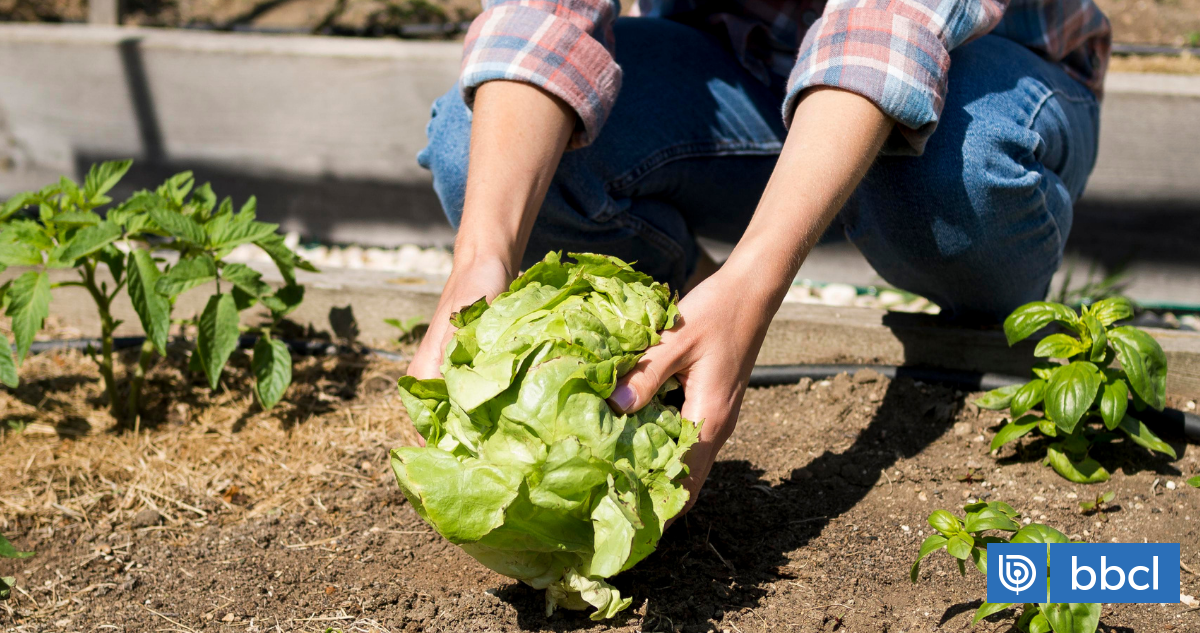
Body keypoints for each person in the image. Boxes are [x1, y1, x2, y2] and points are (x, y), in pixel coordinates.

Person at [409, 0, 1110, 514]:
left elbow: (888, 26)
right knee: (474, 149)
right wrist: (480, 257)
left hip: (980, 75)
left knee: (946, 173)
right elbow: (543, 16)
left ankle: (983, 339)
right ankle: (687, 322)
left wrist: (756, 280)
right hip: (740, 68)